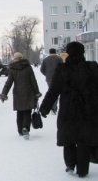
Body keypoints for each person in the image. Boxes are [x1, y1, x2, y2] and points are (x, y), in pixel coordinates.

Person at [39, 41, 98, 178]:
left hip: (68, 111)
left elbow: (53, 91)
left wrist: (45, 108)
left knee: (69, 138)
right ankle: (83, 170)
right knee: (84, 140)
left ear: (69, 53)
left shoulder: (62, 69)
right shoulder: (92, 67)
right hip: (88, 111)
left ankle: (70, 166)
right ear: (83, 52)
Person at [0, 52, 41, 140]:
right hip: (29, 92)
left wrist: (4, 94)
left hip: (18, 93)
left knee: (19, 112)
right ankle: (25, 128)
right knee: (27, 112)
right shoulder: (28, 67)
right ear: (22, 58)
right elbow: (33, 80)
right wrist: (37, 92)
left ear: (14, 59)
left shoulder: (12, 69)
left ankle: (20, 130)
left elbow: (8, 83)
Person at [40, 48, 63, 114]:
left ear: (49, 52)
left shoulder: (45, 60)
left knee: (51, 92)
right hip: (58, 79)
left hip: (49, 79)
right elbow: (63, 68)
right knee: (56, 93)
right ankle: (54, 108)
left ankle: (52, 107)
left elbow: (42, 70)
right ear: (55, 52)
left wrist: (47, 74)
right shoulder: (59, 59)